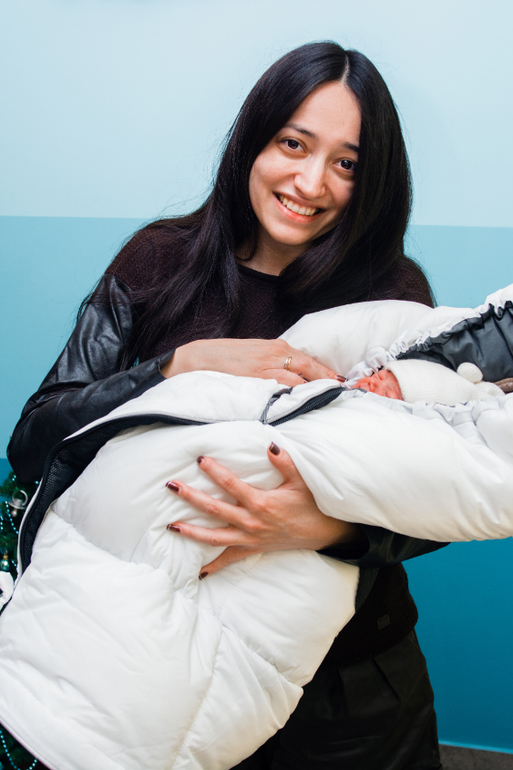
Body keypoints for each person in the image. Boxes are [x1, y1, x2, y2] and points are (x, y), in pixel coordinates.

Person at [6, 41, 444, 770]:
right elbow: (35, 441)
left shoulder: (391, 298)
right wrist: (175, 367)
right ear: (254, 141)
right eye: (293, 144)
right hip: (148, 669)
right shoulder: (158, 262)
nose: (311, 182)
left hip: (345, 687)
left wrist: (328, 529)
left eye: (346, 163)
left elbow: (443, 490)